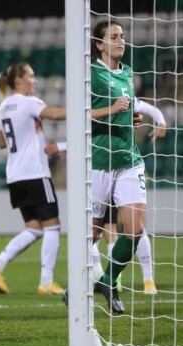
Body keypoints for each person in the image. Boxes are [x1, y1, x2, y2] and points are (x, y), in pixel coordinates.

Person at [62, 21, 147, 315]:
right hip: (99, 163)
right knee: (92, 234)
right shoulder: (90, 74)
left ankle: (109, 281)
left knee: (134, 229)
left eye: (122, 36)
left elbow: (123, 109)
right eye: (113, 36)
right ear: (99, 44)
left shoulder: (127, 73)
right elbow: (79, 114)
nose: (121, 40)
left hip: (129, 161)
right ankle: (76, 284)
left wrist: (130, 118)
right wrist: (112, 110)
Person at [48, 96, 166, 296]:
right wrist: (66, 147)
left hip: (125, 166)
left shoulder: (122, 94)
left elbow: (149, 109)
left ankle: (144, 279)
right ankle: (98, 276)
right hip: (100, 169)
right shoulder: (95, 97)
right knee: (100, 230)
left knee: (132, 227)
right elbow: (85, 128)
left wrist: (161, 122)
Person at [0, 63, 67, 296]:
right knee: (53, 227)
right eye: (31, 76)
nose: (35, 81)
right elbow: (55, 115)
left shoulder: (2, 108)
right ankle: (46, 282)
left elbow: (2, 142)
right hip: (35, 172)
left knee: (34, 228)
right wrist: (84, 108)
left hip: (15, 176)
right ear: (19, 81)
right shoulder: (29, 102)